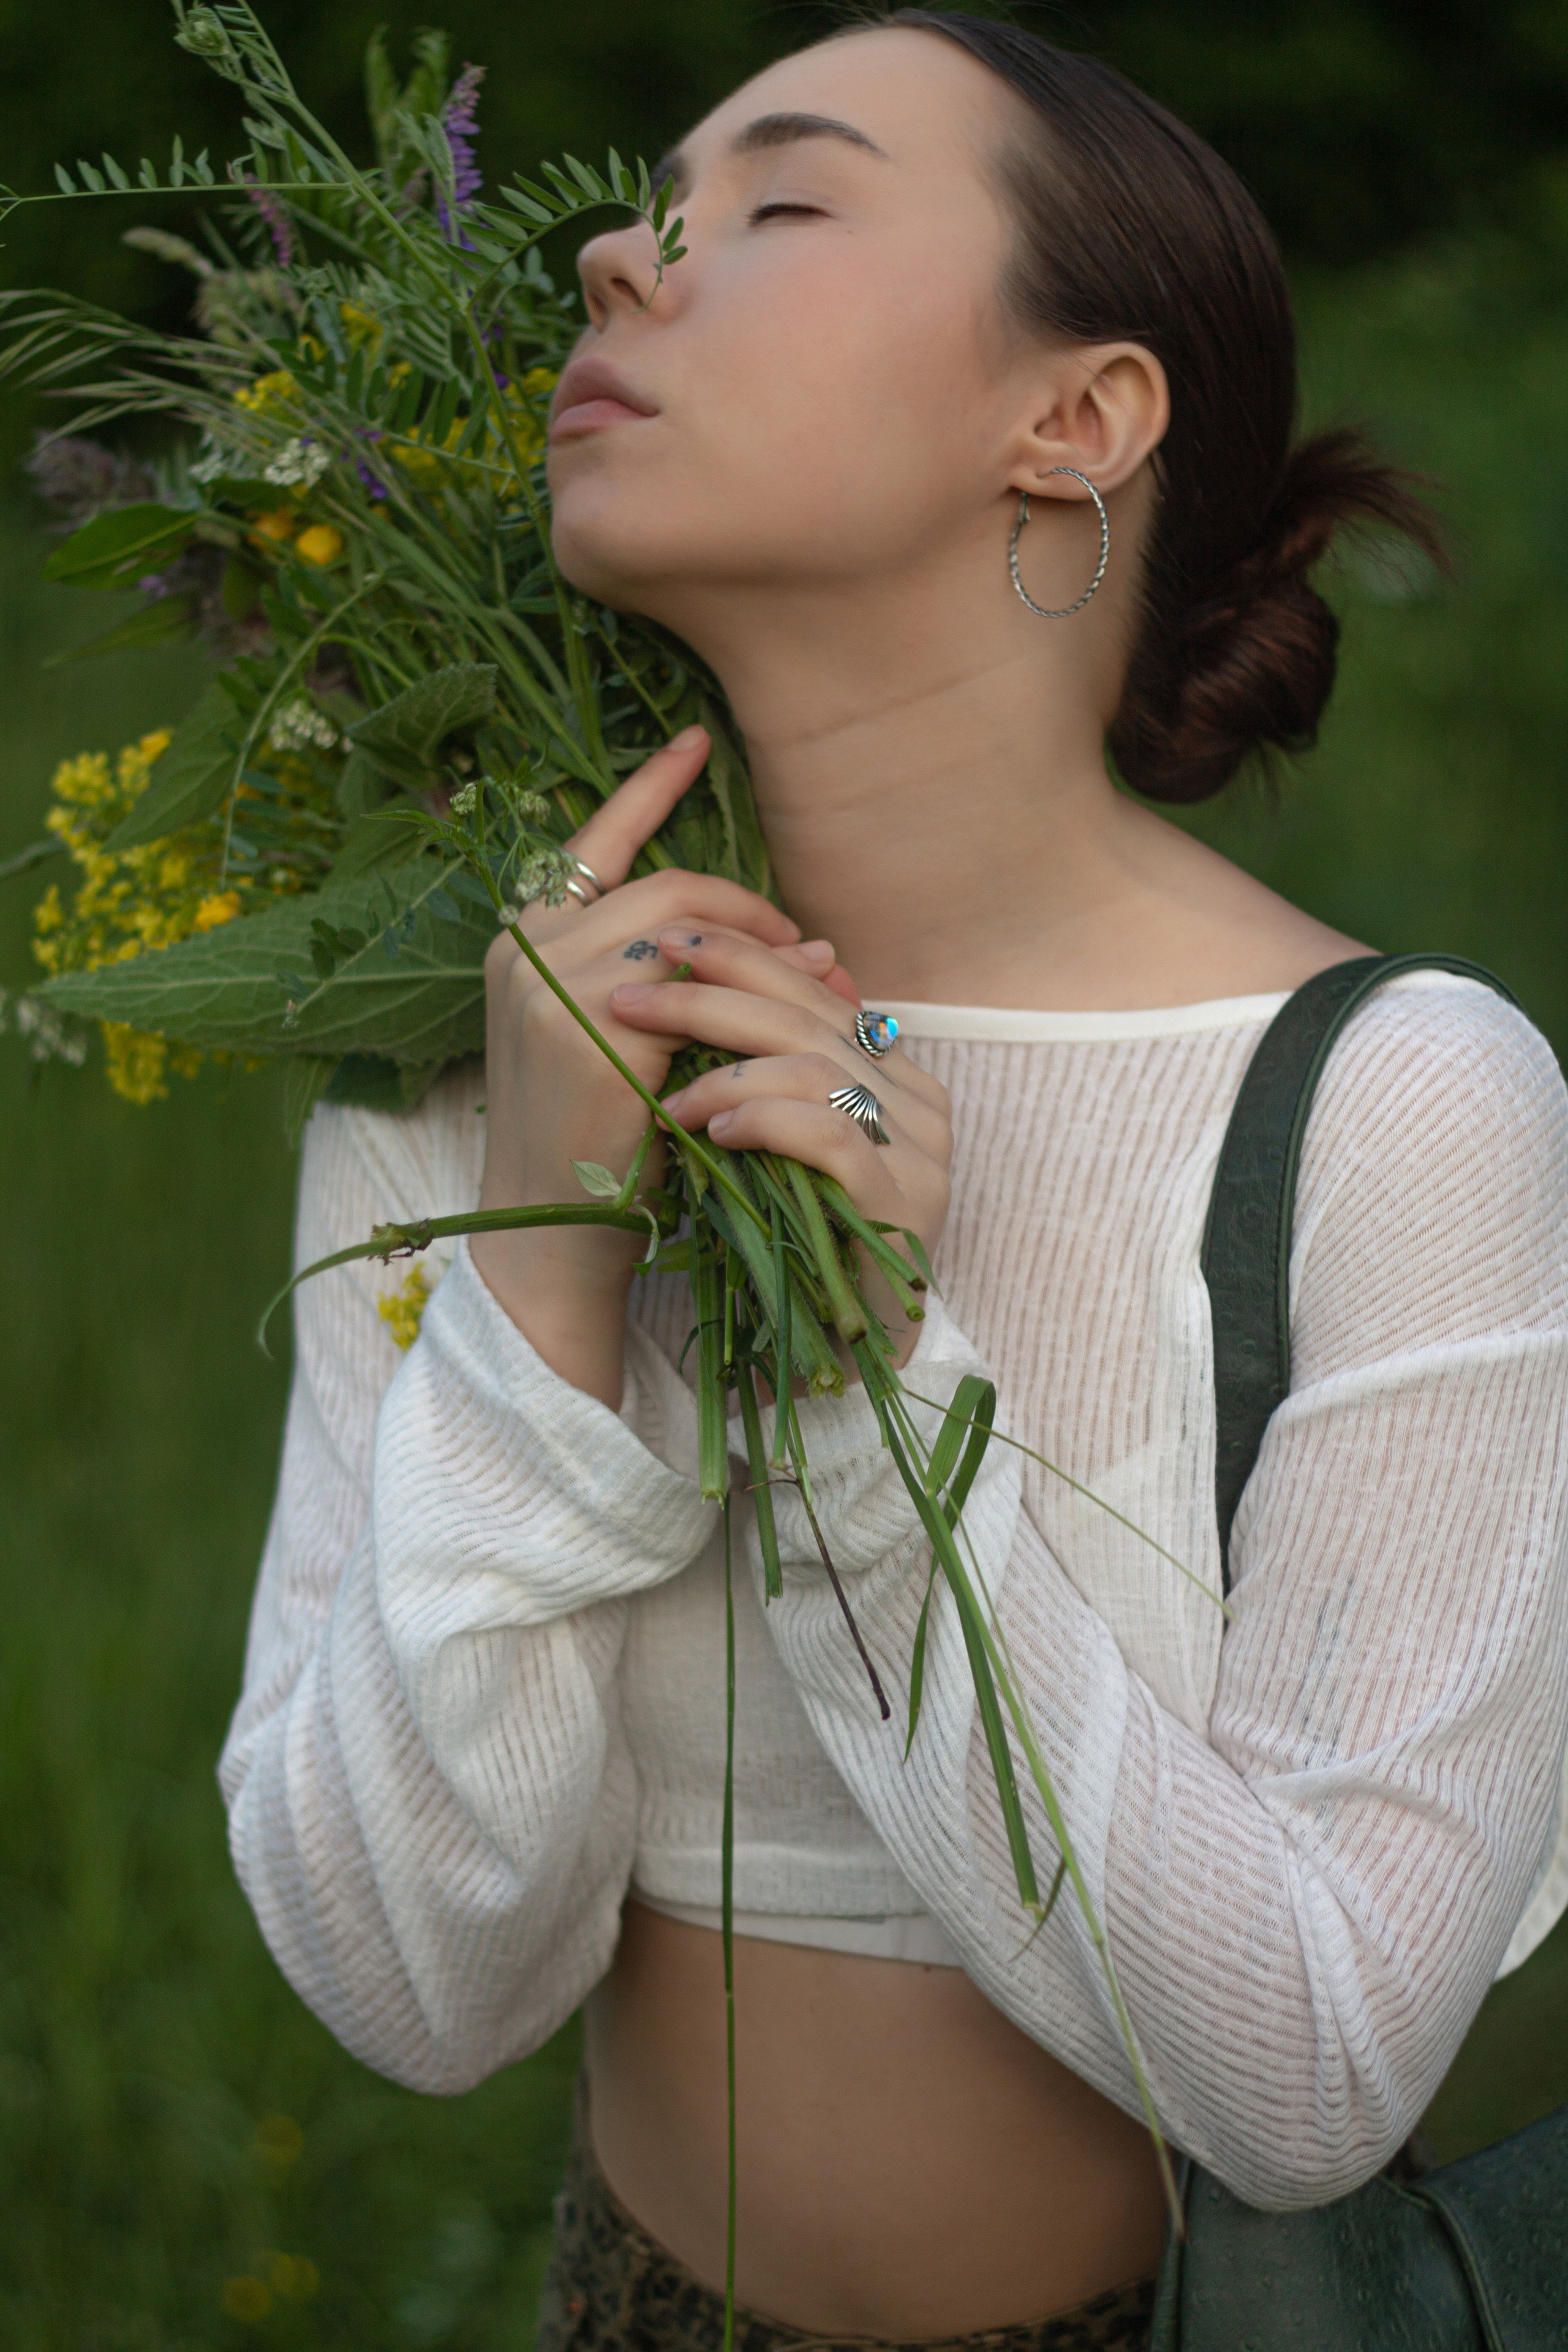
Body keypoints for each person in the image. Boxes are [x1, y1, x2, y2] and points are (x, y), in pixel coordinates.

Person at [221, 13, 1568, 2348]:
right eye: (655, 200)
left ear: (1076, 420)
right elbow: (414, 1991)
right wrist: (549, 1269)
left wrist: (851, 1383)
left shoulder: (1393, 1106)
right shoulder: (479, 1055)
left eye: (785, 202)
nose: (616, 257)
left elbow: (1309, 2072)